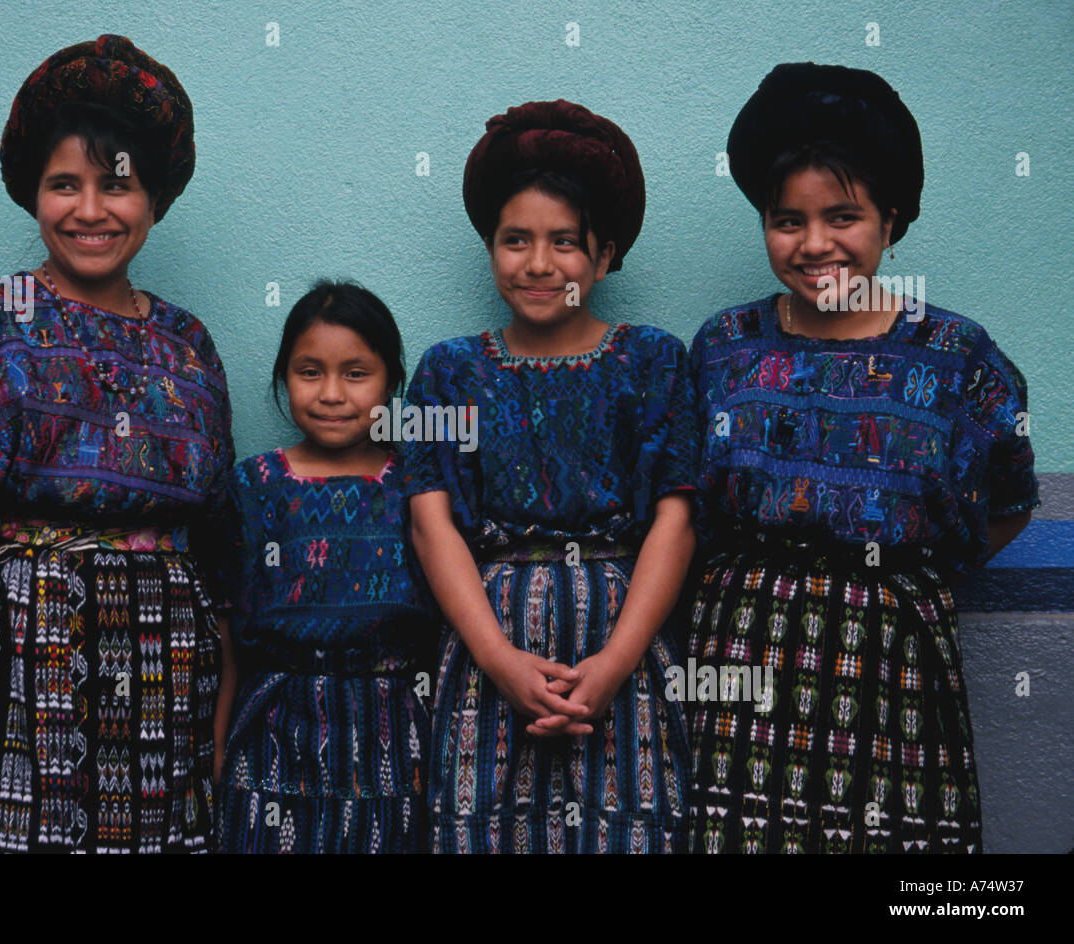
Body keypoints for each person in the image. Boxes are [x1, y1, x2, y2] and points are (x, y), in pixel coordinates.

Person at [0, 35, 234, 852]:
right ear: (34, 195)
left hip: (166, 668)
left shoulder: (189, 344)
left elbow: (217, 531)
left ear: (152, 199)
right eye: (62, 185)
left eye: (116, 187)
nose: (89, 210)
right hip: (11, 646)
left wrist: (224, 685)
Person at [686, 62, 1038, 853]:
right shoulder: (723, 349)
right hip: (741, 664)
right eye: (787, 220)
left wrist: (897, 588)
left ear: (890, 219)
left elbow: (1011, 499)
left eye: (842, 216)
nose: (814, 245)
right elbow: (688, 508)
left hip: (894, 672)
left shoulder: (956, 357)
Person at [403, 100, 697, 853]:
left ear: (604, 256)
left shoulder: (653, 361)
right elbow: (430, 521)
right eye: (515, 240)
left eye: (565, 242)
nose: (538, 264)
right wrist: (499, 660)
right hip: (488, 643)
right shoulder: (446, 371)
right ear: (490, 248)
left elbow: (676, 516)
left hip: (621, 642)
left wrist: (613, 664)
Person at [215, 281, 434, 853]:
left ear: (391, 380)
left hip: (390, 728)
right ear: (283, 377)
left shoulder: (417, 485)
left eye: (356, 373)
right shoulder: (255, 485)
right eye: (309, 371)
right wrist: (217, 742)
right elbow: (229, 624)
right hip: (274, 726)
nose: (331, 393)